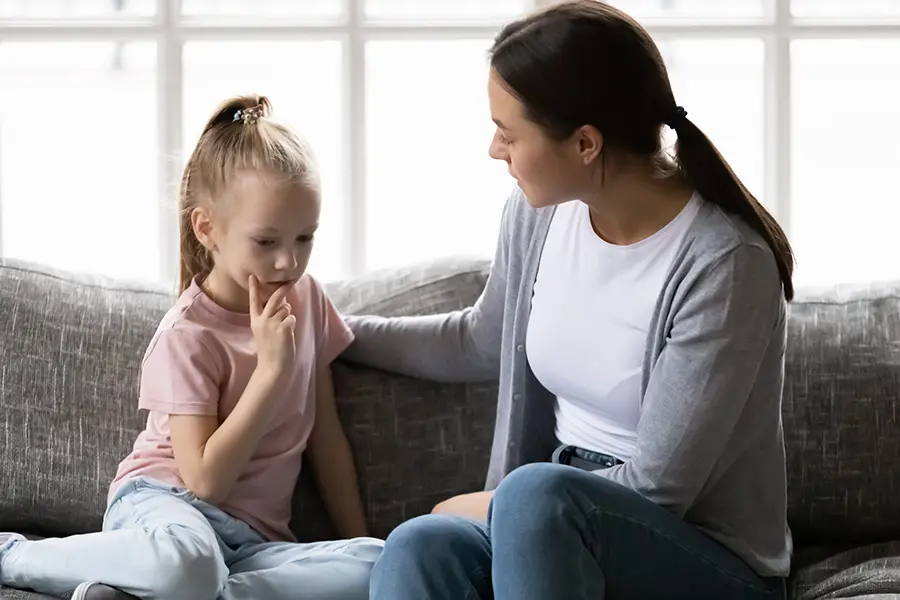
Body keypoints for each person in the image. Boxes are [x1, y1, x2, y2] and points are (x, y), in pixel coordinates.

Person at [342, 2, 794, 599]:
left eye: (508, 132)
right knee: (419, 546)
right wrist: (333, 330)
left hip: (702, 557)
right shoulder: (539, 217)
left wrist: (497, 504)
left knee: (534, 495)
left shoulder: (723, 264)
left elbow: (659, 489)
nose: (493, 149)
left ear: (585, 143)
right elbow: (481, 339)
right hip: (553, 519)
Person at [0, 95, 383, 600]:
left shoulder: (306, 300)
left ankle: (169, 594)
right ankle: (14, 555)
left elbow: (326, 436)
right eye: (266, 242)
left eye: (305, 238)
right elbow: (204, 482)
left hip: (251, 546)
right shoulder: (187, 335)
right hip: (165, 510)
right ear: (208, 229)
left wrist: (353, 535)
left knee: (380, 560)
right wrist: (271, 372)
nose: (289, 263)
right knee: (190, 564)